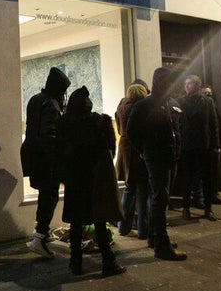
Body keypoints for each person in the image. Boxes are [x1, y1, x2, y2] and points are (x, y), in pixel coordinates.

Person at [56, 86, 126, 277]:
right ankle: (108, 262)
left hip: (74, 179)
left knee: (76, 223)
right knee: (100, 220)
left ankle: (75, 262)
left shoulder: (63, 123)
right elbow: (110, 148)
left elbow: (58, 151)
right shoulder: (99, 121)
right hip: (96, 178)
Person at [127, 67, 187, 260]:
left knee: (160, 199)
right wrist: (145, 152)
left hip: (170, 157)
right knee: (160, 200)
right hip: (157, 158)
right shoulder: (144, 105)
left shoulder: (171, 103)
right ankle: (162, 245)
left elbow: (176, 129)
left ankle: (155, 237)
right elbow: (132, 132)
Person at [20, 66, 70, 258]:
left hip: (33, 155)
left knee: (44, 194)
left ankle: (41, 232)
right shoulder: (51, 104)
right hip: (46, 158)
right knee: (49, 196)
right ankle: (39, 237)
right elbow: (49, 135)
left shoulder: (35, 99)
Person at [176, 75, 221, 221]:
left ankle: (208, 208)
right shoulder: (180, 101)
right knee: (187, 178)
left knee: (206, 178)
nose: (187, 86)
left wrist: (215, 144)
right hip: (187, 144)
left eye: (190, 84)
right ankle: (186, 208)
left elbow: (213, 123)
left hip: (203, 144)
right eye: (186, 84)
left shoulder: (207, 101)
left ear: (197, 85)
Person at [115, 80, 150, 237]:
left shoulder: (121, 106)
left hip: (124, 149)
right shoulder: (143, 108)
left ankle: (123, 226)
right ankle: (143, 230)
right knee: (143, 191)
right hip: (139, 150)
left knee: (129, 189)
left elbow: (119, 128)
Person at [201, 84, 221, 205]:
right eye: (205, 93)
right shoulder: (202, 107)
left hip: (212, 145)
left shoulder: (213, 106)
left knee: (213, 172)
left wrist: (218, 144)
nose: (207, 96)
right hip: (203, 145)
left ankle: (213, 195)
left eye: (209, 93)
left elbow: (217, 125)